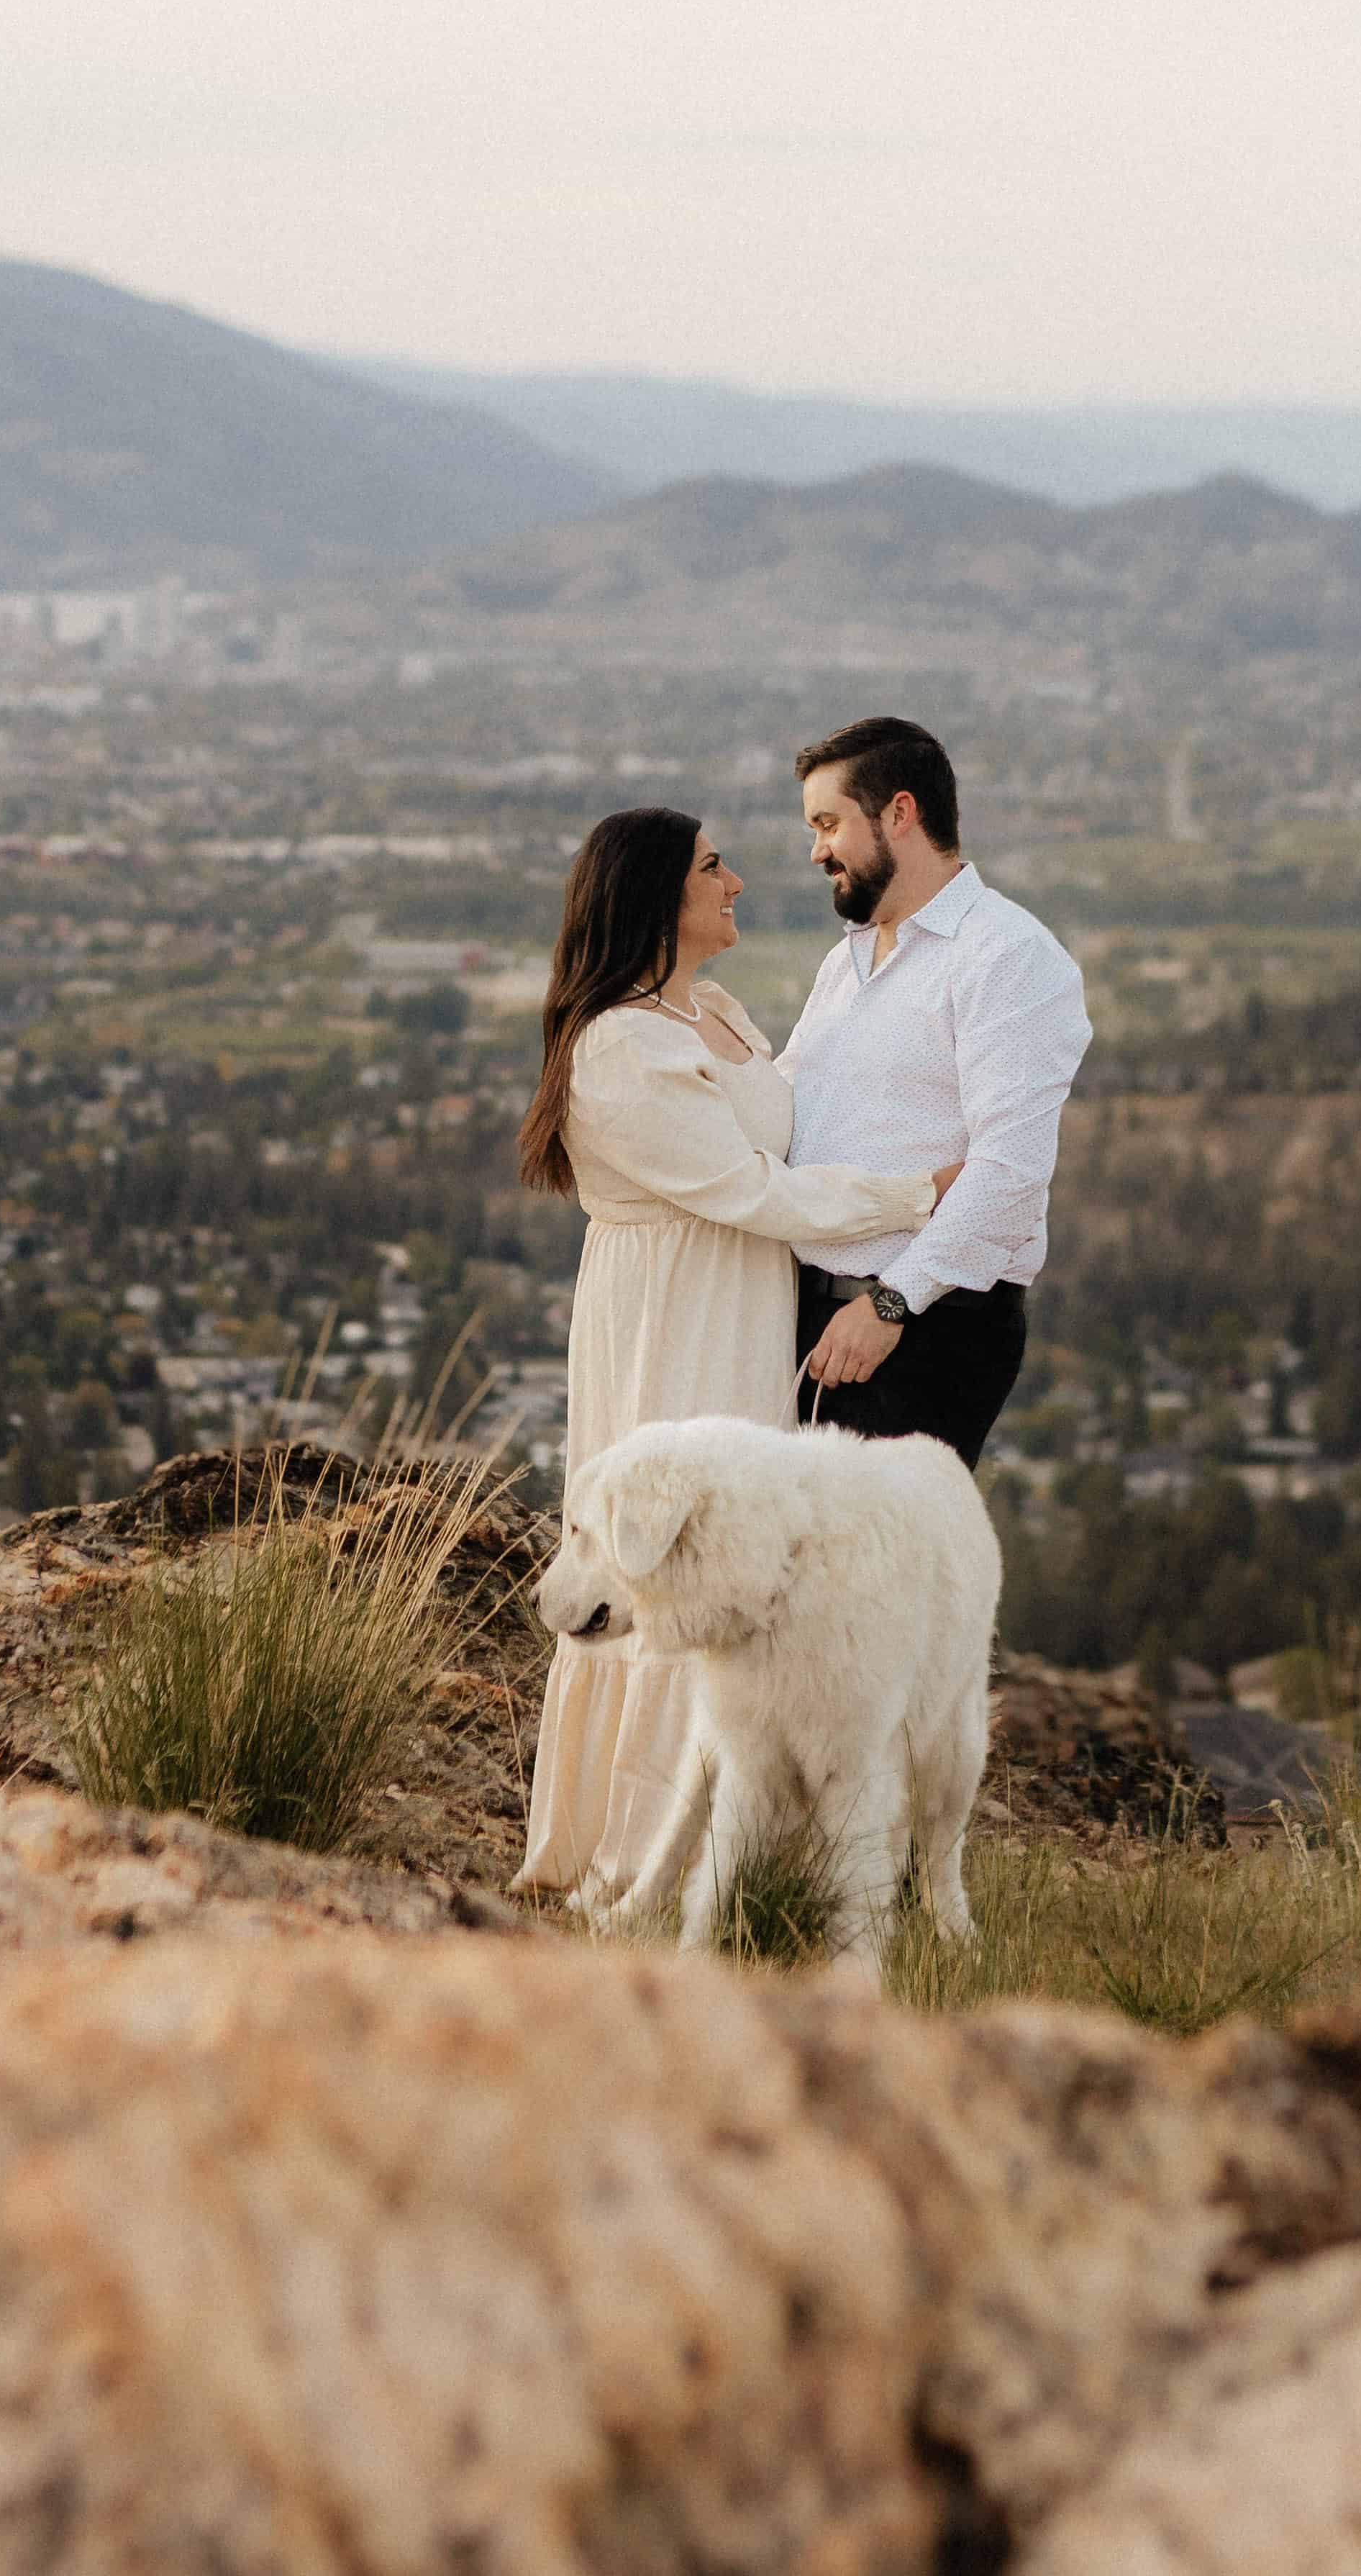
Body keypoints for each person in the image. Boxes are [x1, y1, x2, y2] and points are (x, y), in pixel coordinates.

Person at [507, 805, 951, 1904]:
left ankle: (717, 1846)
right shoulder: (616, 1046)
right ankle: (624, 1853)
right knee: (663, 1555)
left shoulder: (713, 1012)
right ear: (657, 895)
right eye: (713, 867)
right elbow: (745, 1189)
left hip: (743, 1295)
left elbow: (795, 1130)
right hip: (672, 1308)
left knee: (725, 1547)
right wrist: (916, 1195)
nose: (738, 882)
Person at [781, 715, 1092, 1457]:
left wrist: (888, 1305)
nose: (817, 850)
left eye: (828, 824)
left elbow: (1009, 1173)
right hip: (812, 1318)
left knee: (870, 1569)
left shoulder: (1005, 957)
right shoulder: (846, 962)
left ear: (899, 812)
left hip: (921, 1330)